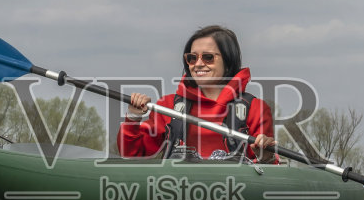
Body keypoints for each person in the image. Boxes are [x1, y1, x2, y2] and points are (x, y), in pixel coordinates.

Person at [118, 25, 278, 161]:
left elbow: (267, 170)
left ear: (228, 60)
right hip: (177, 193)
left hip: (236, 193)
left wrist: (267, 156)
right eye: (192, 58)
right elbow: (132, 154)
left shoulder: (255, 108)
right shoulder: (167, 106)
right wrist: (133, 117)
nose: (198, 64)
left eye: (208, 57)